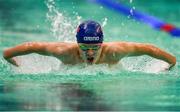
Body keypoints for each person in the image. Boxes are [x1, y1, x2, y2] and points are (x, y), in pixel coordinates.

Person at [3, 20, 176, 70]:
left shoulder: (115, 52)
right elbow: (29, 46)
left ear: (102, 44)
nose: (90, 53)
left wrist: (171, 63)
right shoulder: (64, 52)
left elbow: (149, 49)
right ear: (77, 44)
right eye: (85, 48)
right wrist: (15, 63)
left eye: (95, 47)